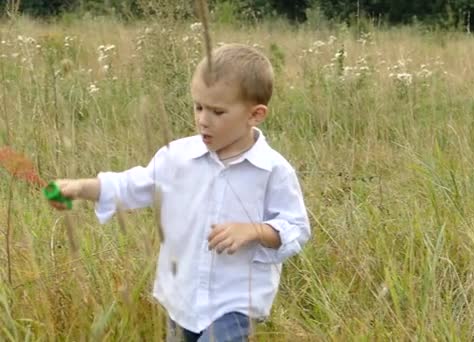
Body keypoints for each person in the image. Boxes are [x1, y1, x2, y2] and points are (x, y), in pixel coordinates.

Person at [49, 43, 311, 342]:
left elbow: (297, 229)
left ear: (255, 114)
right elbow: (132, 185)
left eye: (217, 111)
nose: (203, 119)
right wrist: (82, 188)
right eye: (198, 106)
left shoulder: (272, 171)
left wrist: (254, 230)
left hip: (237, 302)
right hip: (182, 298)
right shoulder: (176, 157)